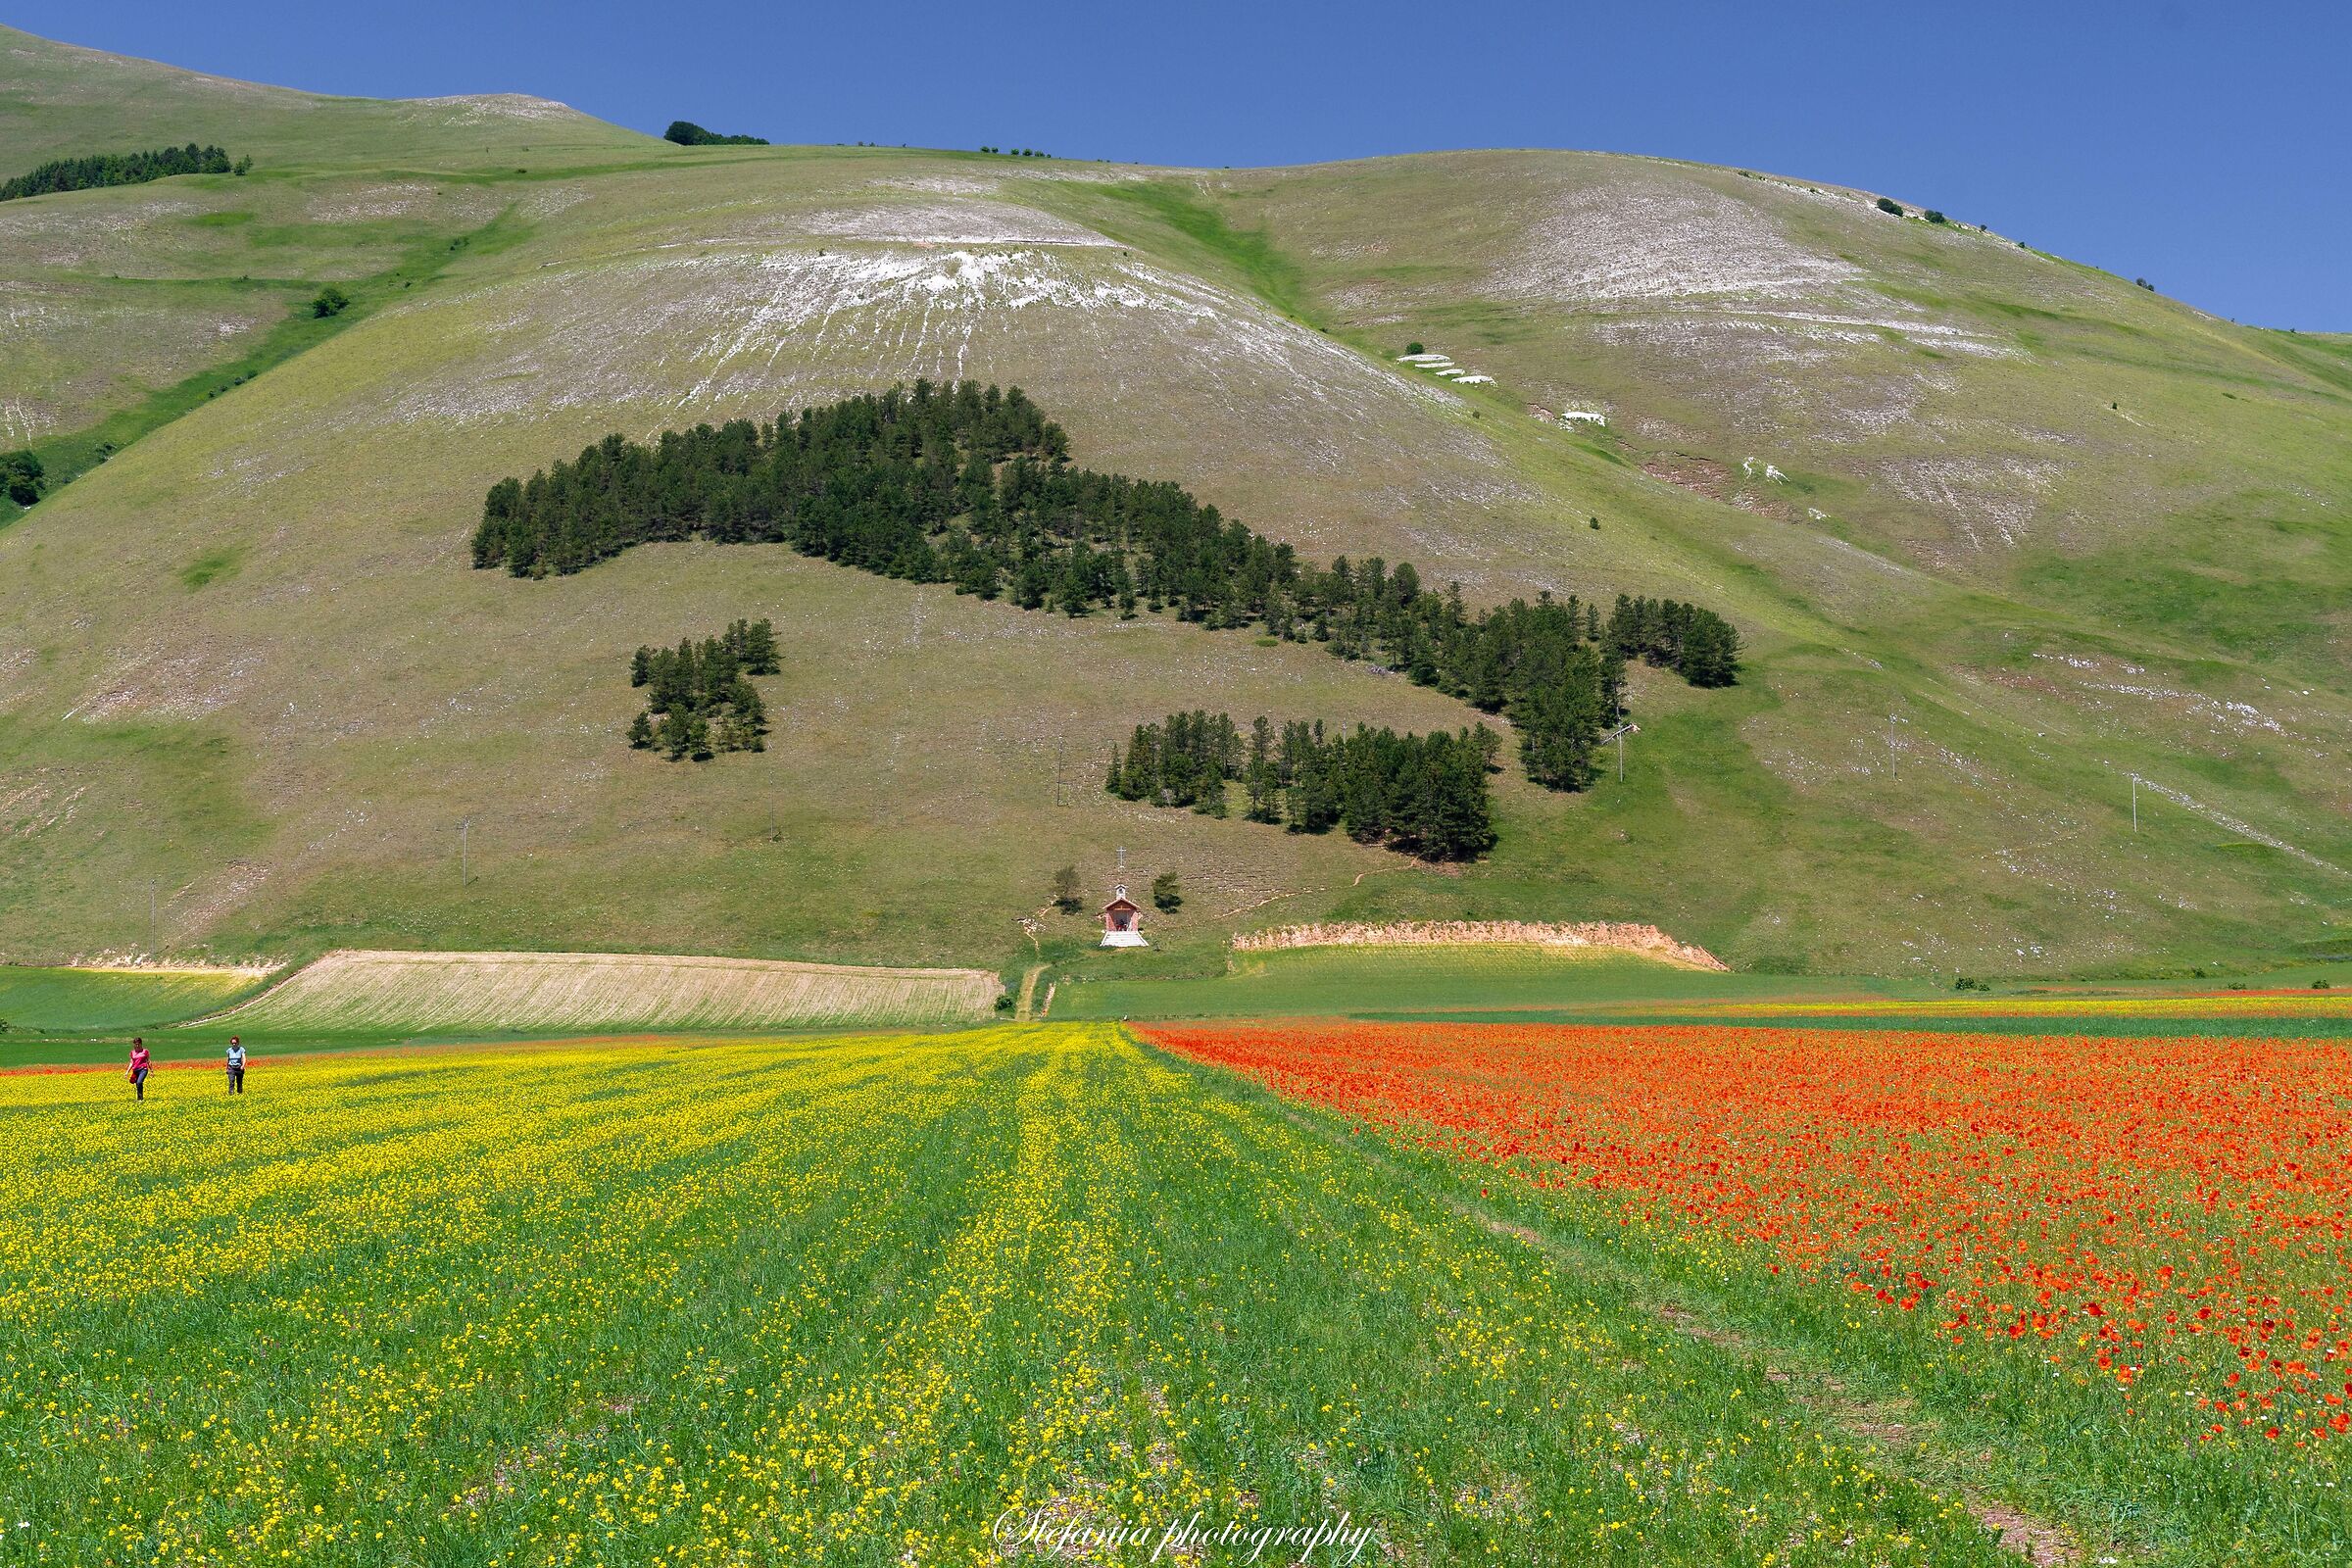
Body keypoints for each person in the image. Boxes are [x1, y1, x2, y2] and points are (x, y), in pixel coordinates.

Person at [128, 1038, 152, 1102]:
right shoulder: (132, 1052)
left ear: (141, 1044)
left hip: (143, 1069)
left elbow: (148, 1061)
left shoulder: (145, 1051)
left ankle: (141, 1099)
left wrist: (151, 1071)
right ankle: (139, 1098)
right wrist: (127, 1072)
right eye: (136, 1044)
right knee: (137, 1084)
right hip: (135, 1070)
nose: (137, 1045)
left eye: (139, 1044)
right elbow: (131, 1062)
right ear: (134, 1044)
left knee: (139, 1082)